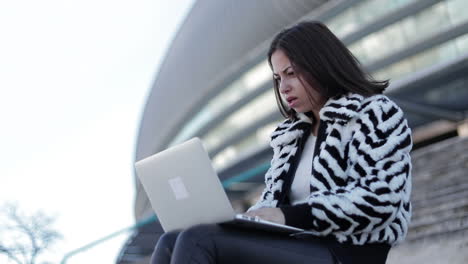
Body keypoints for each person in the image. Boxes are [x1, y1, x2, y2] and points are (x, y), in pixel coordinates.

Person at [150, 20, 412, 264]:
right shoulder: (291, 136)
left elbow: (382, 198)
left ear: (322, 65)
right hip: (292, 245)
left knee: (198, 240)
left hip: (345, 253)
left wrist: (289, 216)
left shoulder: (374, 113)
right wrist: (245, 220)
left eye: (291, 73)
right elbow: (271, 204)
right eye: (278, 78)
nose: (283, 87)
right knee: (171, 241)